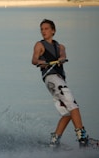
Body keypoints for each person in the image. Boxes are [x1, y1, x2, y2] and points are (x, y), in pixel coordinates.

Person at [31, 19, 89, 148]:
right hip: (51, 78)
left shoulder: (60, 46)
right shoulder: (39, 45)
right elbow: (34, 59)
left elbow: (62, 55)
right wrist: (40, 61)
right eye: (41, 29)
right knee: (73, 105)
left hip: (59, 80)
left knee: (68, 113)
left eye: (46, 29)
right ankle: (82, 138)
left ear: (53, 31)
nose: (43, 31)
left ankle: (55, 140)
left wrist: (61, 59)